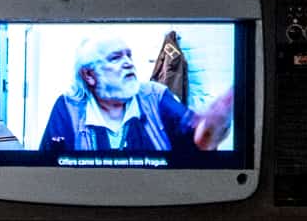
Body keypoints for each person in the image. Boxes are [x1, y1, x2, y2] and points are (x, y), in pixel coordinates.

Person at [37, 34, 233, 156]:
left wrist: (213, 124)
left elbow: (196, 140)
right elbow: (47, 167)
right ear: (89, 75)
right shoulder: (68, 106)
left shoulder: (154, 95)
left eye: (128, 55)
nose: (129, 63)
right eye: (115, 58)